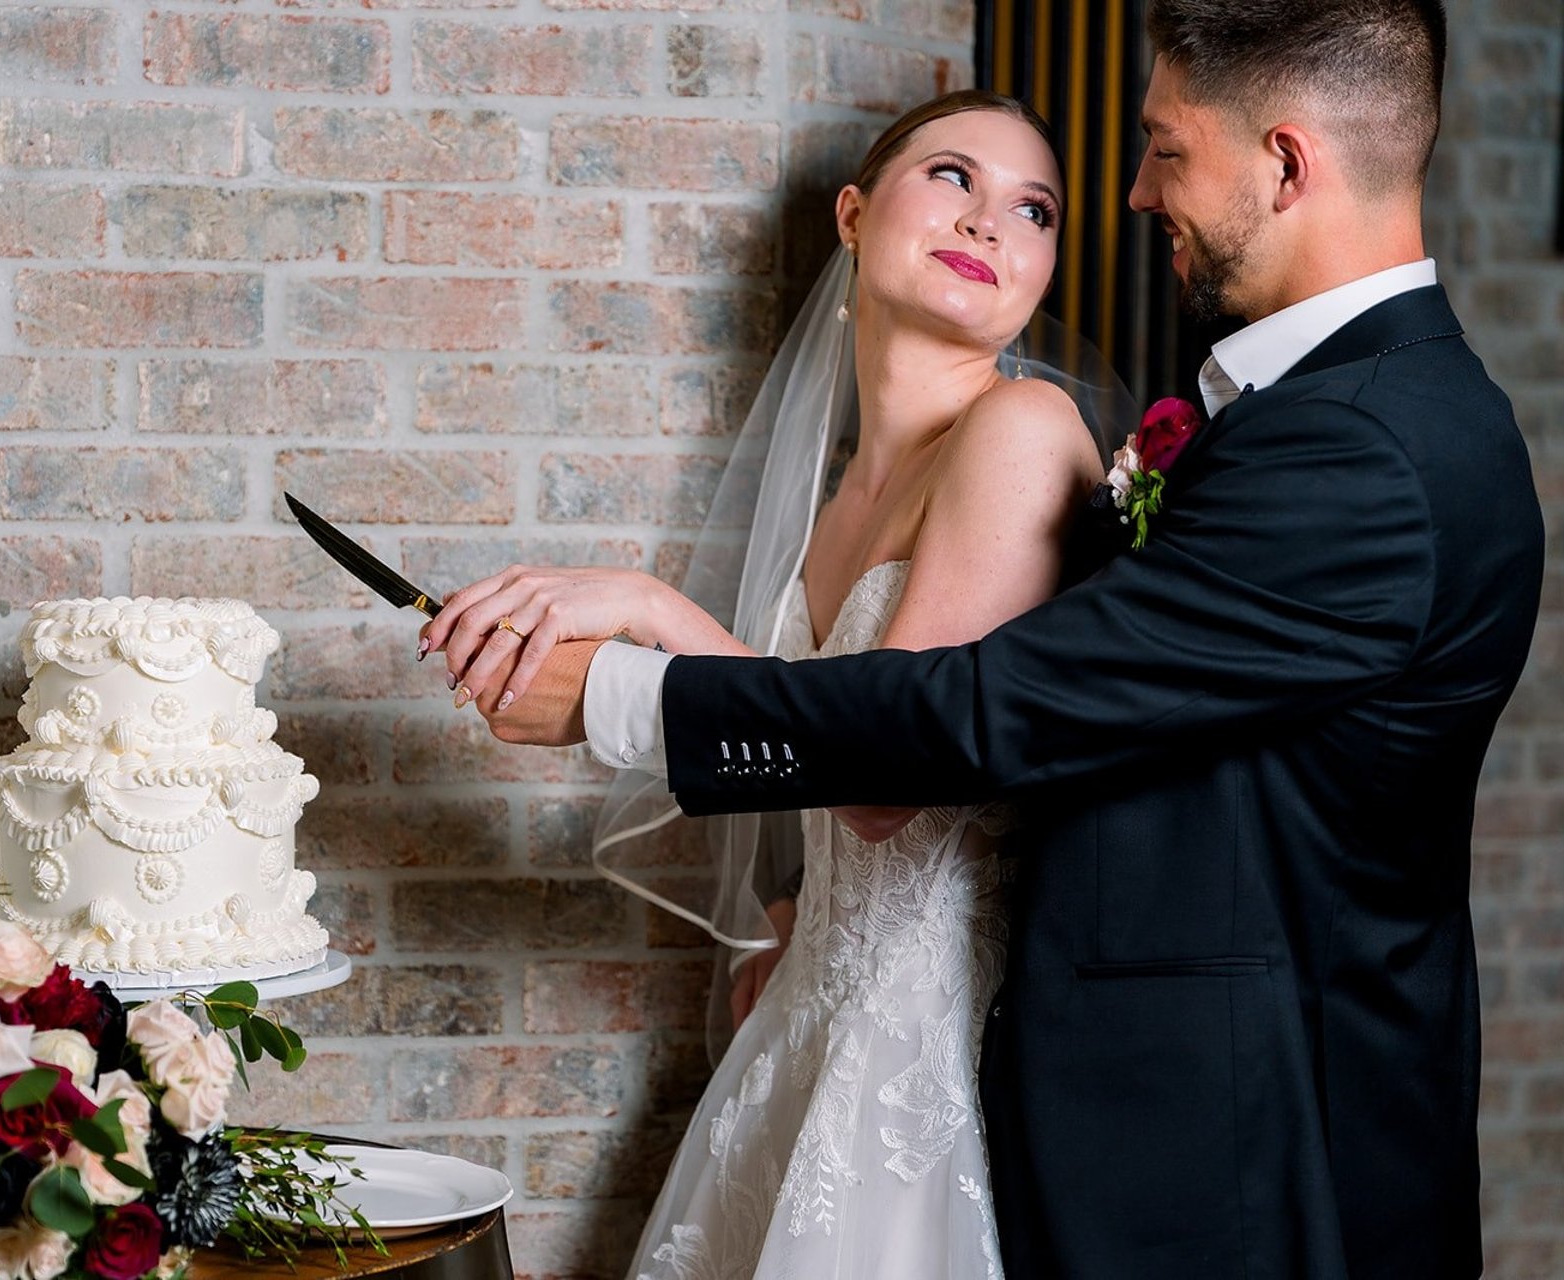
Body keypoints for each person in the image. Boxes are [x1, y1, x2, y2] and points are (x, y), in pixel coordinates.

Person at [441, 1, 1547, 1276]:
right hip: (1119, 1108)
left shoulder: (1363, 447)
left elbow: (971, 713)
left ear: (1286, 164)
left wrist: (625, 693)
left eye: (1164, 150)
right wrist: (812, 910)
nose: (1136, 193)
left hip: (1248, 1161)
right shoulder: (1340, 413)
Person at [426, 90, 1116, 1277]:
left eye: (1034, 209)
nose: (989, 221)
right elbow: (825, 771)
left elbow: (893, 772)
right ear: (852, 214)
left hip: (939, 1054)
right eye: (953, 176)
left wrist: (650, 612)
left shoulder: (1022, 427)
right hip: (809, 1022)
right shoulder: (836, 495)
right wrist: (795, 917)